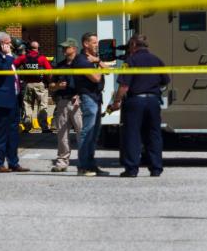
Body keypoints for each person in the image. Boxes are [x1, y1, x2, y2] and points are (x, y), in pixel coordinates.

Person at [108, 34, 169, 178]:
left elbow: (124, 86)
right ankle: (156, 168)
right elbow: (165, 80)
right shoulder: (157, 60)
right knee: (154, 134)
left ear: (134, 45)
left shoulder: (130, 61)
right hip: (153, 101)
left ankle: (131, 169)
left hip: (135, 102)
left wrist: (116, 102)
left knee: (132, 134)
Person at [0, 32, 29, 173]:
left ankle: (13, 162)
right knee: (1, 134)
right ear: (1, 44)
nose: (11, 45)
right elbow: (3, 72)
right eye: (8, 42)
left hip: (14, 100)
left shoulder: (9, 59)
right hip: (2, 101)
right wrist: (9, 56)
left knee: (13, 133)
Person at [71, 31, 107, 176]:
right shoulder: (81, 60)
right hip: (88, 98)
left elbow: (107, 70)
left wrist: (98, 61)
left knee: (94, 134)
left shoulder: (91, 59)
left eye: (97, 42)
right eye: (94, 42)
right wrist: (98, 62)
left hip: (96, 98)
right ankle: (83, 166)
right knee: (87, 132)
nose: (97, 45)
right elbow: (96, 77)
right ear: (86, 44)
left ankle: (91, 165)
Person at [48, 38, 82, 172]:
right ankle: (62, 162)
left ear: (74, 48)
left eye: (66, 47)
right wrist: (57, 86)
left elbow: (89, 83)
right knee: (62, 134)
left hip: (78, 103)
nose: (63, 50)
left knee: (81, 132)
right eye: (62, 47)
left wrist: (79, 95)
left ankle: (84, 161)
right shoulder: (59, 66)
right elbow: (50, 86)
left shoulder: (81, 64)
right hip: (62, 101)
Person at [13, 39, 52, 132]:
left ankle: (27, 126)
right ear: (38, 48)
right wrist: (49, 82)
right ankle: (44, 127)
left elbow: (13, 65)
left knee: (28, 106)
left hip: (28, 84)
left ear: (29, 48)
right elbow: (49, 71)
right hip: (40, 84)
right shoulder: (42, 58)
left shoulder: (23, 58)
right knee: (42, 106)